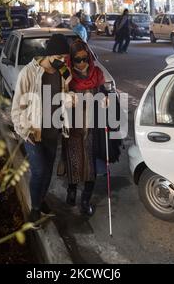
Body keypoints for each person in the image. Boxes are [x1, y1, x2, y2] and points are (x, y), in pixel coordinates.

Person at [11, 34, 72, 224]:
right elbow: (17, 107)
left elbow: (66, 91)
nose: (62, 61)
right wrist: (24, 130)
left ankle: (40, 200)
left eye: (64, 58)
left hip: (53, 131)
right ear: (49, 54)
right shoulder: (28, 73)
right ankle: (34, 210)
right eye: (59, 58)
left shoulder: (62, 70)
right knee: (39, 171)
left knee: (48, 172)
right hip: (33, 132)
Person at [63, 40, 106, 216]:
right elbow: (58, 98)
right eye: (77, 60)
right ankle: (71, 191)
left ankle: (85, 200)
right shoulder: (67, 76)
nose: (82, 63)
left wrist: (105, 98)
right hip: (73, 127)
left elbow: (104, 92)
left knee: (91, 164)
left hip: (93, 127)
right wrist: (67, 97)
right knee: (74, 161)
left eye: (84, 58)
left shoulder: (97, 73)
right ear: (71, 60)